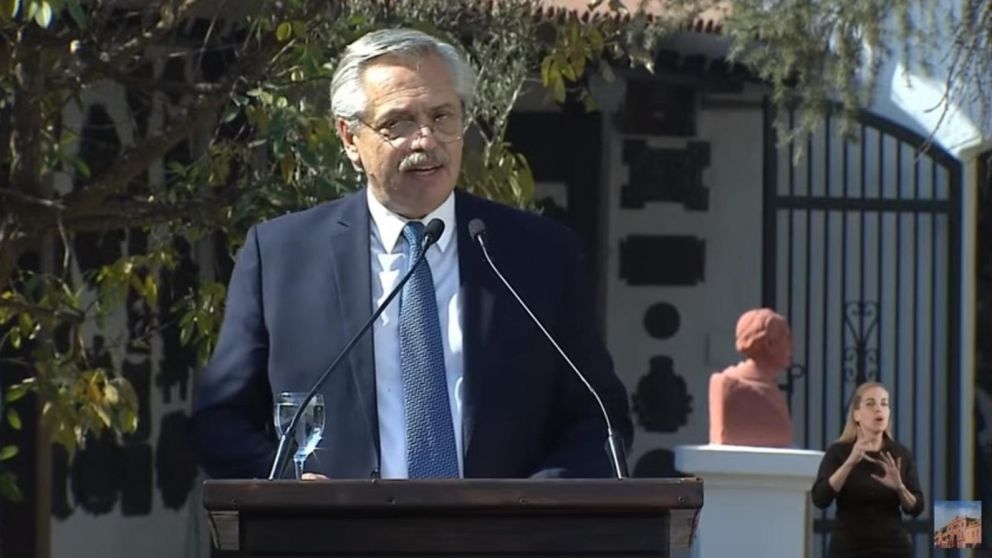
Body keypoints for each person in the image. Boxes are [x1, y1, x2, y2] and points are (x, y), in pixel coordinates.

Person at [189, 28, 632, 480]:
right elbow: (221, 420)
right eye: (398, 123)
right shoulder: (282, 257)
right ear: (348, 138)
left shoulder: (538, 254)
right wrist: (289, 490)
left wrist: (530, 508)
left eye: (443, 117)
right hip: (335, 536)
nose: (426, 140)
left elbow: (598, 418)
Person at [811, 381, 925, 557]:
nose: (878, 409)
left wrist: (900, 487)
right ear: (857, 415)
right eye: (870, 404)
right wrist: (850, 462)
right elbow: (820, 498)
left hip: (893, 549)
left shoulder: (901, 454)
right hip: (849, 549)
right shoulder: (838, 452)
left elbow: (916, 508)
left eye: (884, 403)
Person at [708, 308, 793, 447]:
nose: (791, 346)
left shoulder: (770, 387)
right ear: (769, 344)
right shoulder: (729, 384)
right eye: (786, 338)